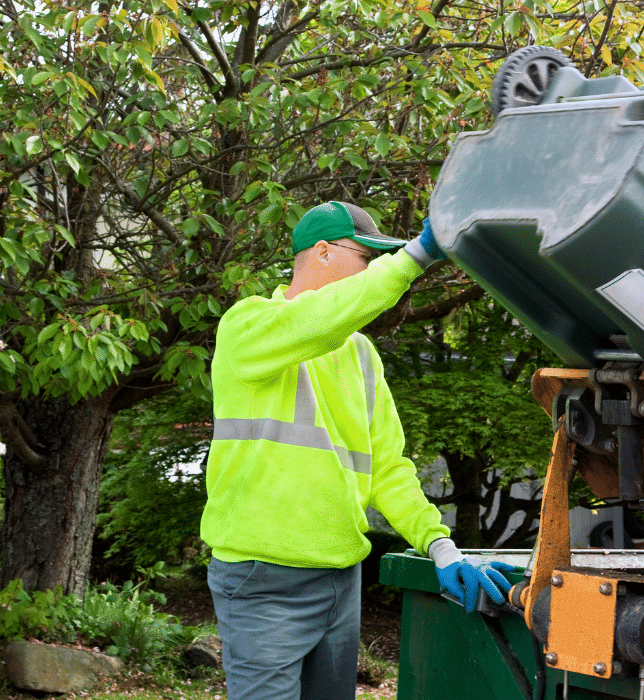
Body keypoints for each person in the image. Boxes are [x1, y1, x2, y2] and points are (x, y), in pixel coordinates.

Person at [201, 201, 516, 700]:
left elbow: (389, 469)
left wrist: (439, 544)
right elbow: (321, 317)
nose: (371, 270)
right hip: (262, 582)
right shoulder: (247, 328)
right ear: (323, 252)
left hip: (340, 580)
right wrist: (416, 256)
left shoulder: (362, 356)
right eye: (365, 257)